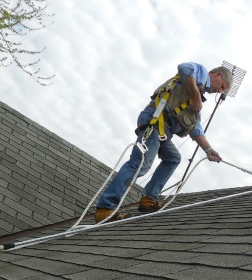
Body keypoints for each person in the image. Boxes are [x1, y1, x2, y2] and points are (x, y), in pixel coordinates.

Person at [94, 62, 233, 223]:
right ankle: (105, 208)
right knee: (140, 164)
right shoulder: (200, 74)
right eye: (222, 86)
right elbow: (184, 67)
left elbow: (196, 130)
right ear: (216, 75)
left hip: (162, 131)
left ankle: (149, 199)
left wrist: (209, 150)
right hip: (155, 121)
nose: (220, 91)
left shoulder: (198, 99)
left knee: (173, 158)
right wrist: (195, 96)